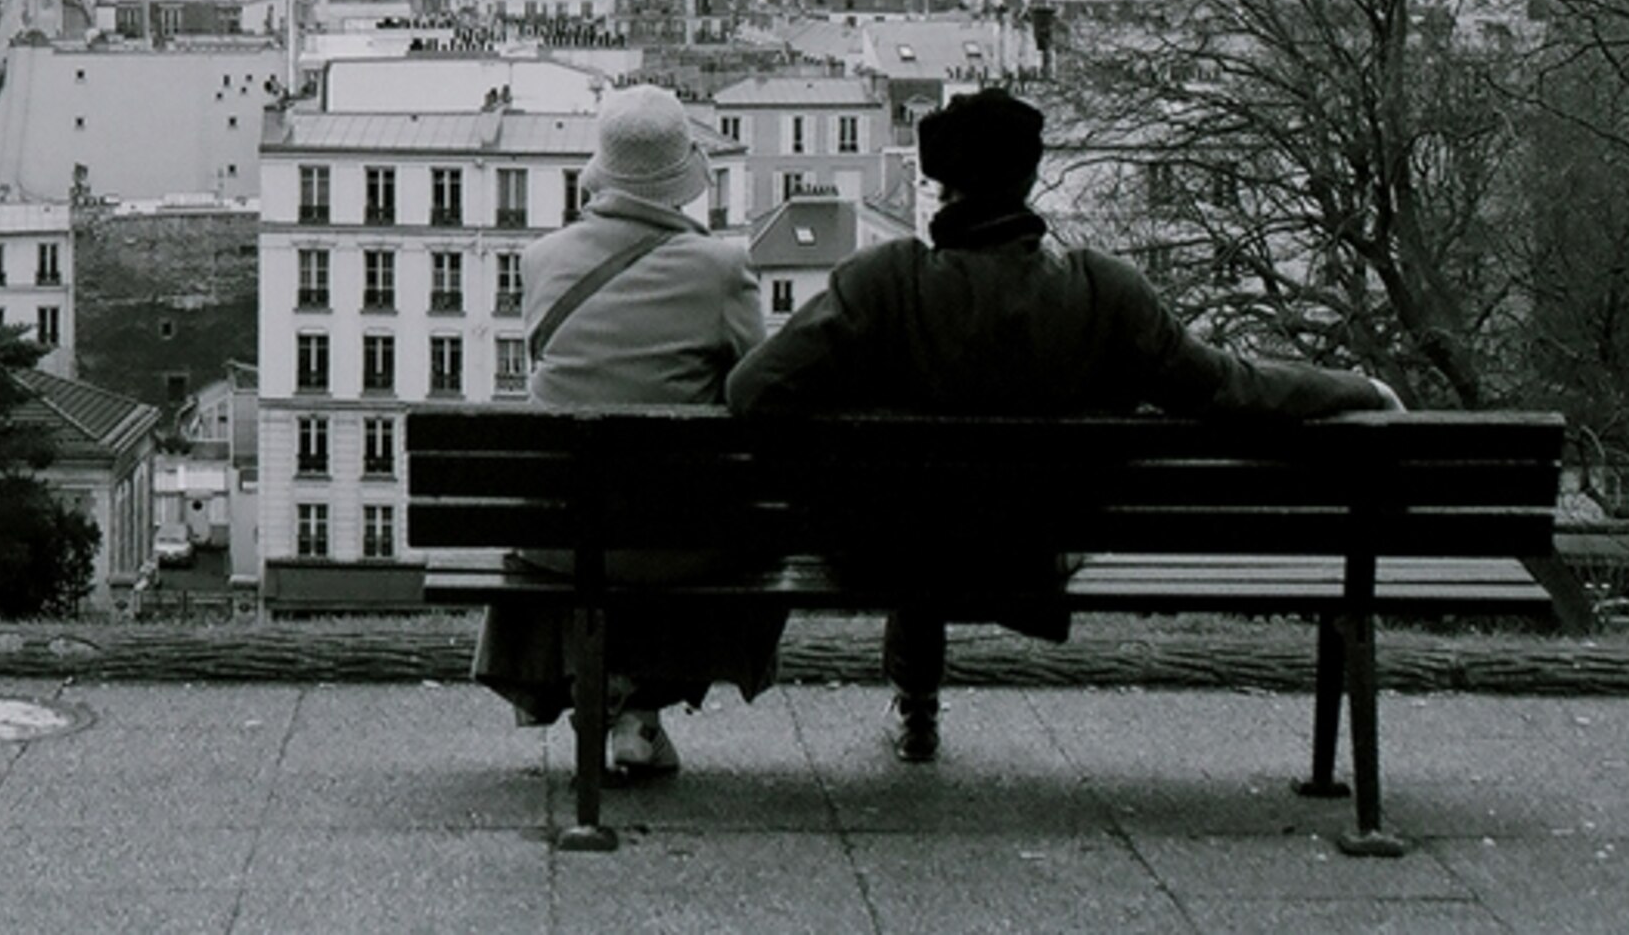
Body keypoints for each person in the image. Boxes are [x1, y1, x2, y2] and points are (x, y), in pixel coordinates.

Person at [726, 87, 1400, 764]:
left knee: (925, 505)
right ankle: (919, 684)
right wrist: (1358, 387)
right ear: (1031, 178)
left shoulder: (885, 283)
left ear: (939, 182)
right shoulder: (1104, 290)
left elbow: (753, 388)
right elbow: (1228, 386)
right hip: (1032, 546)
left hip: (896, 545)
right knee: (955, 504)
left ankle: (917, 701)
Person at [470, 83, 787, 779]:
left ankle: (604, 690)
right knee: (707, 512)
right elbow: (756, 386)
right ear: (684, 177)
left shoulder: (542, 257)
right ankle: (641, 705)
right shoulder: (722, 268)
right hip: (676, 543)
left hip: (559, 539)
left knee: (604, 497)